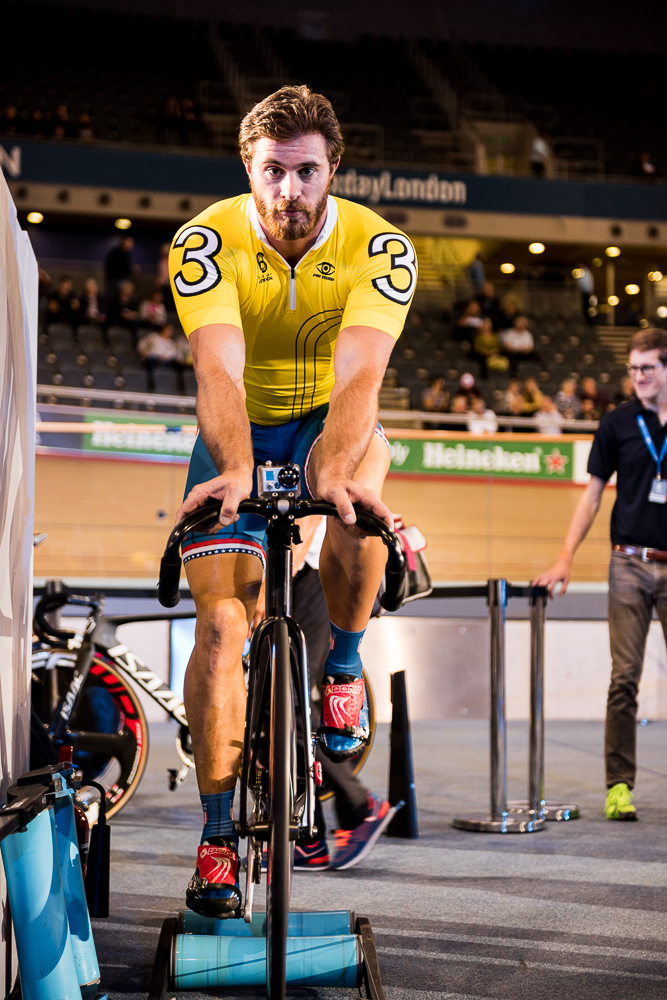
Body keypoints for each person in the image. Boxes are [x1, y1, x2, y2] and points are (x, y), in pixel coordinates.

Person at [168, 85, 416, 917]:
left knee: (358, 493)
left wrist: (331, 473)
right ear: (248, 166)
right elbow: (217, 372)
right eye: (272, 171)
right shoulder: (205, 241)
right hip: (239, 425)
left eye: (306, 171)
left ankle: (342, 664)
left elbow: (361, 377)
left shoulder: (379, 247)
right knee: (219, 629)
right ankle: (215, 838)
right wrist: (236, 469)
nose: (288, 190)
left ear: (333, 169)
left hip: (328, 418)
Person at [534, 328, 667, 822]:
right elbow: (592, 496)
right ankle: (618, 786)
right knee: (624, 679)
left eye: (647, 367)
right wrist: (564, 557)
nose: (638, 376)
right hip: (628, 563)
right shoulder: (617, 423)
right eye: (633, 368)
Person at [104, 236, 135, 301]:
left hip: (122, 279)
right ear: (124, 242)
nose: (131, 245)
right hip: (113, 279)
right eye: (130, 242)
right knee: (112, 298)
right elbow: (108, 265)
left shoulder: (127, 254)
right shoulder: (115, 252)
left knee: (121, 299)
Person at [573, 260, 595, 325]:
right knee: (585, 308)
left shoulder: (585, 273)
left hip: (585, 293)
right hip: (586, 292)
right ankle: (587, 322)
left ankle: (588, 323)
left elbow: (583, 284)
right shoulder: (586, 272)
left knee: (586, 308)